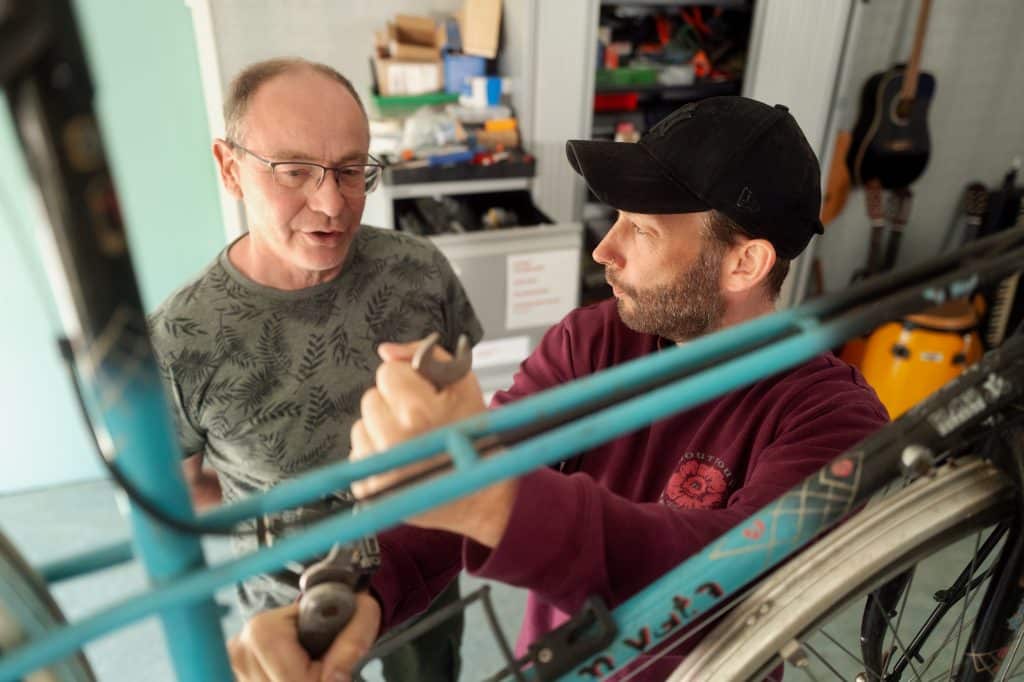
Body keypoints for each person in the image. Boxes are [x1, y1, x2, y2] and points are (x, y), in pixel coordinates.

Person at [227, 96, 889, 682]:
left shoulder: (835, 420)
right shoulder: (591, 341)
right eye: (617, 218)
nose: (605, 251)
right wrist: (353, 595)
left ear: (745, 262)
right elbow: (459, 495)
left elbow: (734, 578)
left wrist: (494, 499)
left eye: (643, 230)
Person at [147, 57, 481, 680]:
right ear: (230, 168)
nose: (331, 204)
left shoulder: (419, 272)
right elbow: (180, 493)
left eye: (352, 171)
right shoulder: (180, 341)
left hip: (423, 570)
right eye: (294, 170)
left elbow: (461, 402)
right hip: (289, 614)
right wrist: (275, 512)